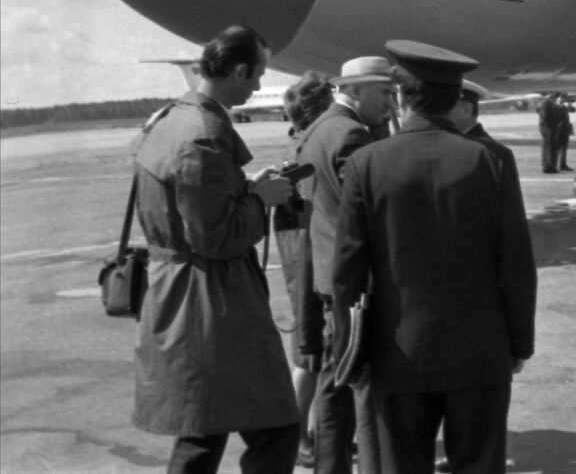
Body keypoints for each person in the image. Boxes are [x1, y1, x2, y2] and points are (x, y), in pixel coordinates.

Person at [333, 41, 536, 474]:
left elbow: (348, 270)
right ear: (456, 98)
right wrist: (519, 342)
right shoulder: (493, 159)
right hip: (482, 350)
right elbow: (516, 263)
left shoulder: (367, 163)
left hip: (398, 352)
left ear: (402, 96)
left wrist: (352, 352)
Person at [131, 25, 301, 474]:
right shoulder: (202, 133)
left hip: (188, 297)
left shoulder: (173, 118)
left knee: (204, 432)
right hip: (211, 302)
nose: (260, 86)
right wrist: (259, 202)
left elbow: (188, 206)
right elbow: (215, 237)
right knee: (273, 426)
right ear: (239, 69)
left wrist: (246, 189)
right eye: (257, 75)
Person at [301, 55, 395, 474]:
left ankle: (329, 466)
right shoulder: (352, 135)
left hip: (327, 274)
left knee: (334, 381)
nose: (392, 101)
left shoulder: (319, 128)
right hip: (358, 284)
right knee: (364, 386)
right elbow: (376, 211)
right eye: (384, 91)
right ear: (354, 91)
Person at [278, 72, 335, 468]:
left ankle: (308, 434)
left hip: (303, 259)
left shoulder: (300, 147)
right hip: (310, 260)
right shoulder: (312, 150)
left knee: (311, 352)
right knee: (309, 355)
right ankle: (297, 438)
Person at [538, 93, 565, 174]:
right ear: (550, 95)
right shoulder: (546, 103)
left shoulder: (550, 103)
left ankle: (551, 166)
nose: (555, 97)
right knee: (549, 148)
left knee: (551, 148)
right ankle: (548, 167)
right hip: (548, 129)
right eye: (553, 95)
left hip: (550, 128)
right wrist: (555, 123)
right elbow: (545, 117)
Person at [554, 93, 576, 171]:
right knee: (557, 149)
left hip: (565, 130)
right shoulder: (554, 107)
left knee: (564, 148)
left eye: (563, 98)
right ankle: (554, 165)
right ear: (557, 98)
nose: (562, 99)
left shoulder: (564, 107)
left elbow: (572, 111)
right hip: (558, 130)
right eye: (561, 98)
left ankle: (563, 165)